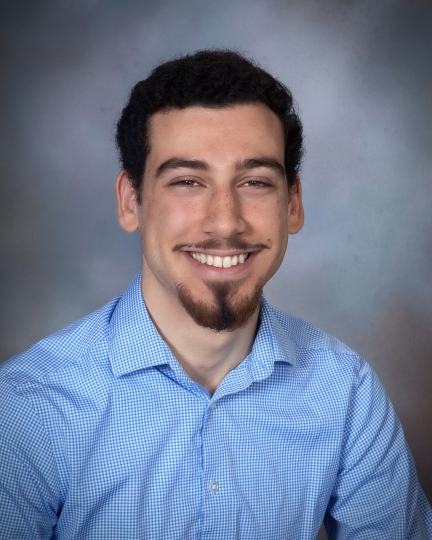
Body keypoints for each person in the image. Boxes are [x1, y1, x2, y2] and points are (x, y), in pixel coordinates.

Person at [0, 50, 431, 540]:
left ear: (292, 204)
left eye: (254, 182)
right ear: (130, 201)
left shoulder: (346, 395)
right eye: (187, 181)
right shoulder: (27, 408)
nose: (225, 221)